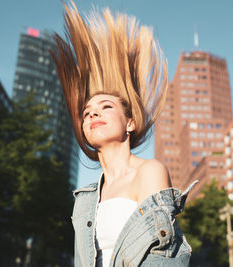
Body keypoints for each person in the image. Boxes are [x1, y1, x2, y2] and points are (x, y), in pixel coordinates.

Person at [52, 2, 197, 266]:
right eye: (87, 113)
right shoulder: (84, 198)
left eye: (106, 107)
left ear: (130, 123)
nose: (93, 114)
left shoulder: (149, 171)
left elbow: (161, 257)